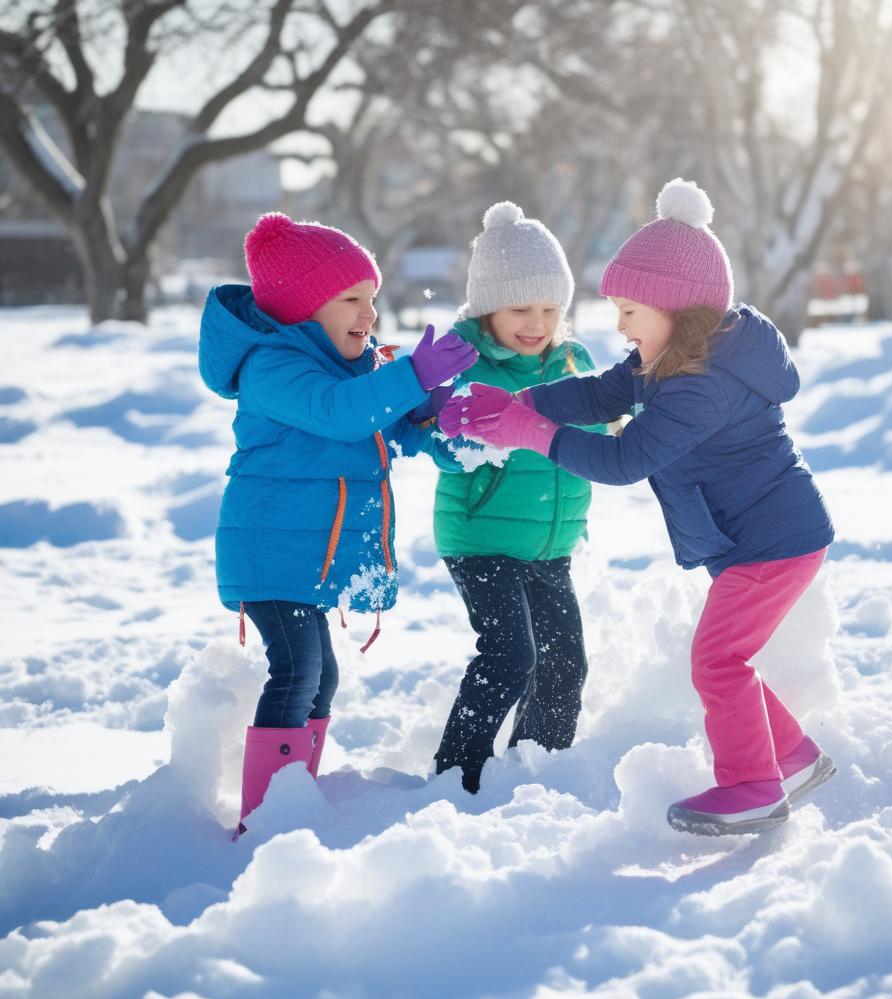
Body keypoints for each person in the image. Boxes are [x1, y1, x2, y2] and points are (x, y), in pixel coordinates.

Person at [440, 180, 836, 835]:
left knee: (717, 661)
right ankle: (790, 757)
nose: (619, 326)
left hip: (773, 541)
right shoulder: (671, 357)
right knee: (725, 657)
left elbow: (624, 460)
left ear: (676, 310)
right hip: (750, 537)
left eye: (629, 311)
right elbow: (601, 395)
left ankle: (754, 786)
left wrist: (526, 433)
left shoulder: (702, 385)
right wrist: (521, 405)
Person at [198, 212, 477, 836]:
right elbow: (339, 415)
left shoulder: (352, 371)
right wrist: (409, 377)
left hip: (307, 556)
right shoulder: (274, 368)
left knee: (320, 675)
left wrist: (434, 413)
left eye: (371, 299)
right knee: (297, 670)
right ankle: (264, 819)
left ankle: (291, 795)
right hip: (273, 553)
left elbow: (386, 428)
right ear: (303, 309)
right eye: (352, 299)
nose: (369, 314)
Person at [432, 201, 601, 795]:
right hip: (482, 540)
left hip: (550, 545)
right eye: (520, 308)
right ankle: (457, 775)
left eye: (551, 308)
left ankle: (537, 773)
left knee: (564, 665)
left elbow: (610, 417)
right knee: (510, 657)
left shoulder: (575, 362)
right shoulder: (465, 365)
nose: (537, 322)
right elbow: (443, 428)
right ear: (487, 308)